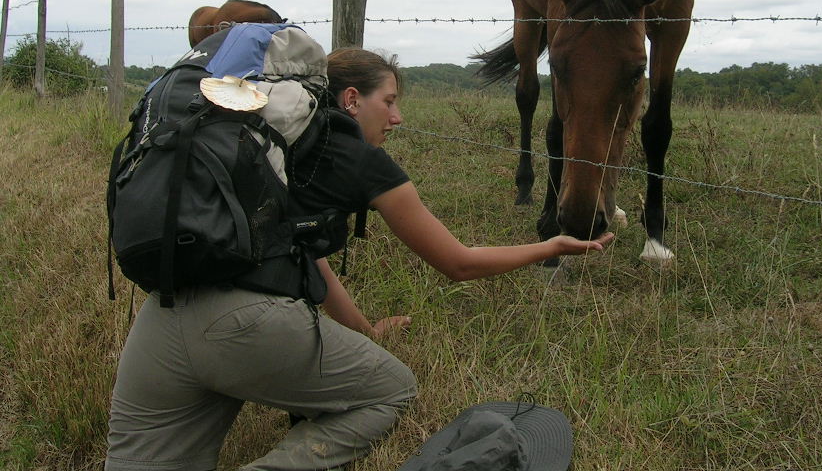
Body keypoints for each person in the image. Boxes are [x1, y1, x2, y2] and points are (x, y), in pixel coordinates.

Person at [105, 46, 614, 471]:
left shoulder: (264, 143)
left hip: (164, 314)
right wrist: (551, 245)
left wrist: (364, 329)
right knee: (392, 390)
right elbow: (458, 262)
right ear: (352, 99)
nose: (397, 117)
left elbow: (305, 256)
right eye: (388, 101)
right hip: (247, 327)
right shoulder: (360, 160)